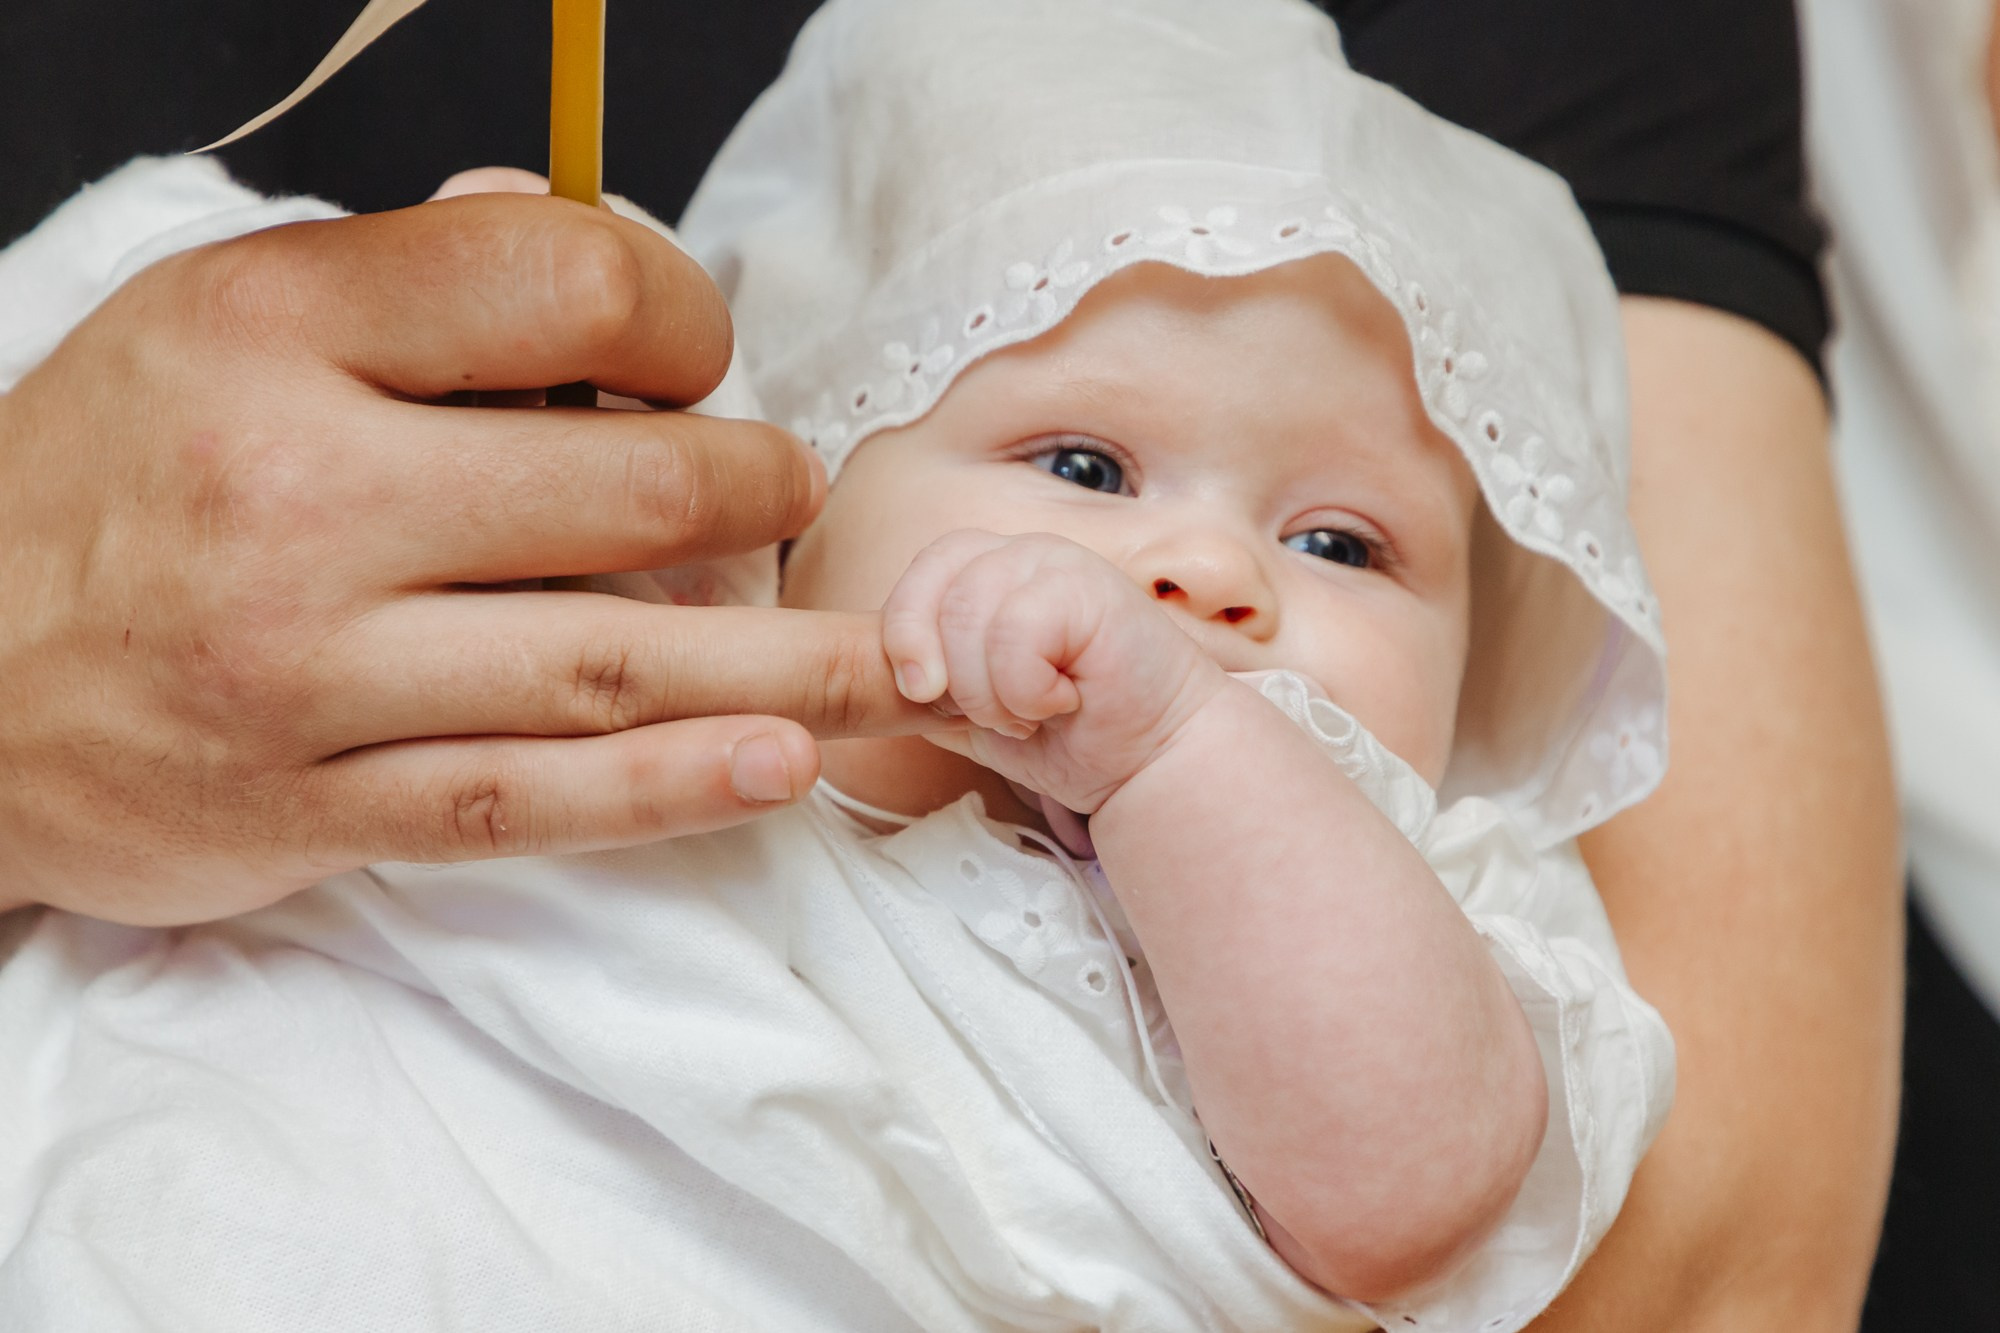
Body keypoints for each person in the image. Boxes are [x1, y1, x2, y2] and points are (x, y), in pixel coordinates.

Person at [0, 1, 1900, 1329]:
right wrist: (513, 352)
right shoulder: (708, 624)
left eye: (1347, 546)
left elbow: (1418, 1190)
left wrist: (1171, 754)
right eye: (1085, 466)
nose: (1211, 570)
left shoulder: (1430, 905)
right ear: (809, 481)